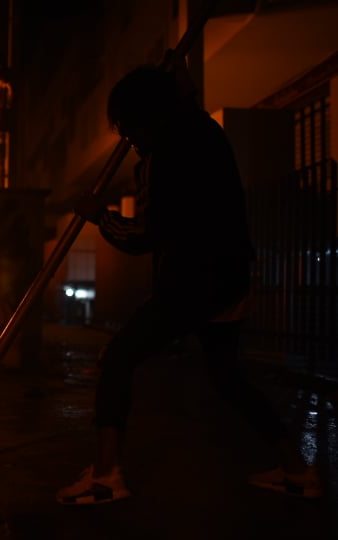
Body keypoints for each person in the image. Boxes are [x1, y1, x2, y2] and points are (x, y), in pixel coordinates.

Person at [57, 64, 321, 505]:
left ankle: (105, 476)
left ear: (147, 118)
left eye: (129, 127)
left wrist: (99, 215)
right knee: (227, 377)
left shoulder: (164, 156)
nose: (129, 138)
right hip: (231, 276)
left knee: (117, 357)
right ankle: (297, 471)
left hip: (192, 282)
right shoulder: (205, 132)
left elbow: (143, 237)